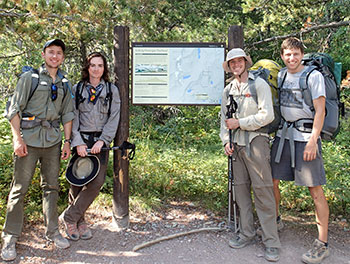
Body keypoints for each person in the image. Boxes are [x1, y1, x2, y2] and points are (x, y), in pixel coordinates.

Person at [1, 39, 74, 261]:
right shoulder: (29, 79)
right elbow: (14, 109)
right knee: (19, 188)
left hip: (52, 141)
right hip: (29, 141)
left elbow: (67, 114)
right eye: (51, 52)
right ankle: (10, 238)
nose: (55, 56)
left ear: (62, 57)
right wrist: (17, 139)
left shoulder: (64, 83)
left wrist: (67, 141)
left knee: (51, 187)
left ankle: (52, 232)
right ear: (43, 54)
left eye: (59, 53)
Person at [271, 37, 329, 264]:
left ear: (302, 54)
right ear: (282, 56)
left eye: (295, 54)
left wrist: (313, 140)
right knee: (273, 181)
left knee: (315, 189)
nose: (291, 58)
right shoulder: (282, 75)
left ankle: (322, 243)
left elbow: (320, 110)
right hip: (284, 136)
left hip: (306, 137)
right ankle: (275, 221)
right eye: (287, 54)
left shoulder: (314, 76)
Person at [220, 48, 281, 262]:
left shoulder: (259, 85)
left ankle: (271, 242)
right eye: (232, 62)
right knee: (241, 192)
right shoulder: (228, 90)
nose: (236, 65)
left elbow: (268, 115)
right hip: (236, 145)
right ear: (229, 66)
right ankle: (246, 233)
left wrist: (241, 124)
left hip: (257, 142)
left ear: (246, 62)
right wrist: (226, 140)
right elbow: (223, 120)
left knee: (263, 192)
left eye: (239, 61)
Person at [60, 52, 121, 241]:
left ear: (105, 68)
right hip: (81, 139)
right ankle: (78, 222)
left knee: (96, 182)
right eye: (92, 65)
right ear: (87, 68)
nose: (96, 69)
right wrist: (76, 142)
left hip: (100, 142)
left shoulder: (111, 90)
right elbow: (72, 117)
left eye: (100, 65)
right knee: (77, 181)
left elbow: (114, 117)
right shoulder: (78, 89)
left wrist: (103, 140)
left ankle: (69, 216)